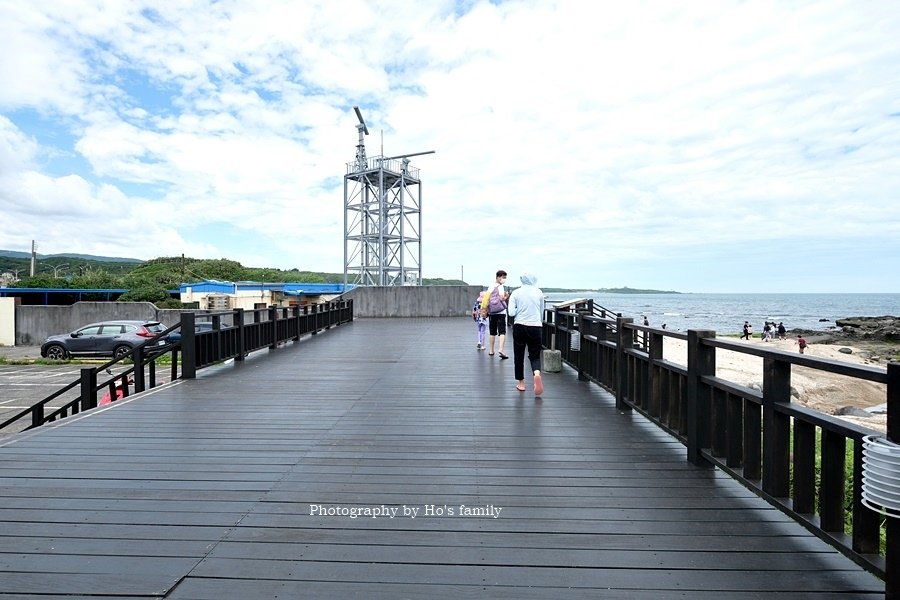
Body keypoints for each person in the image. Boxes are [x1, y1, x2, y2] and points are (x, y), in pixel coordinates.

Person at [507, 272, 545, 396]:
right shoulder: (539, 292)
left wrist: (520, 309)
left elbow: (511, 313)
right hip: (536, 326)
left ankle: (521, 383)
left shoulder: (516, 293)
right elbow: (541, 311)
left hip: (520, 326)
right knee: (534, 355)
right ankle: (537, 374)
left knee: (519, 355)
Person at [480, 270, 509, 359]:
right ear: (498, 277)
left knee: (492, 332)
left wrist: (484, 309)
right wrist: (506, 296)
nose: (504, 279)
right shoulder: (500, 287)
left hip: (492, 312)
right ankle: (501, 349)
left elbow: (486, 298)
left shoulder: (491, 286)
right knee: (502, 331)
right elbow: (501, 298)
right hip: (500, 312)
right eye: (503, 277)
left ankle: (491, 351)